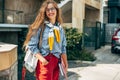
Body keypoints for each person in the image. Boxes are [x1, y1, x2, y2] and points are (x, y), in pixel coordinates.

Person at [23, 0, 68, 80]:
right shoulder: (40, 26)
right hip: (45, 61)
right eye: (47, 10)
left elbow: (63, 47)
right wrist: (43, 60)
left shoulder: (59, 28)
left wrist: (65, 62)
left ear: (57, 10)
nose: (50, 11)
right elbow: (32, 45)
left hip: (57, 62)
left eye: (52, 9)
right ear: (45, 12)